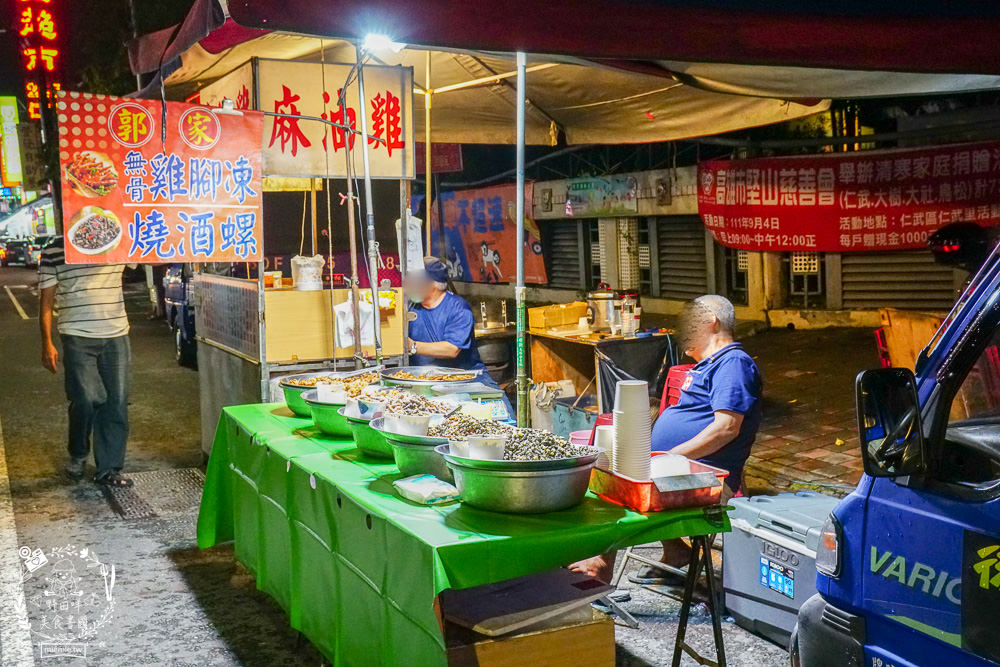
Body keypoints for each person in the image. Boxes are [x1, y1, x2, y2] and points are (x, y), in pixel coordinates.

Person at [571, 294, 761, 583]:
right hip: (677, 470)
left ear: (712, 322)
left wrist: (669, 457)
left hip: (707, 479)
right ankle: (676, 552)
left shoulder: (733, 363)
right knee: (603, 469)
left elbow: (726, 428)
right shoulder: (704, 367)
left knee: (622, 485)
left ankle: (599, 567)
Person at [39, 236, 133, 487]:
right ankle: (78, 452)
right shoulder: (54, 249)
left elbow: (153, 256)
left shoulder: (118, 239)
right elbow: (47, 299)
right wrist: (46, 341)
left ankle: (109, 468)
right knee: (87, 398)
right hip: (76, 333)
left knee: (117, 402)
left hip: (116, 333)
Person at [404, 256, 513, 415]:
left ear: (431, 284)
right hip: (423, 381)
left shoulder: (458, 309)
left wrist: (412, 346)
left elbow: (451, 349)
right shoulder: (410, 306)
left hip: (466, 378)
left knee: (501, 414)